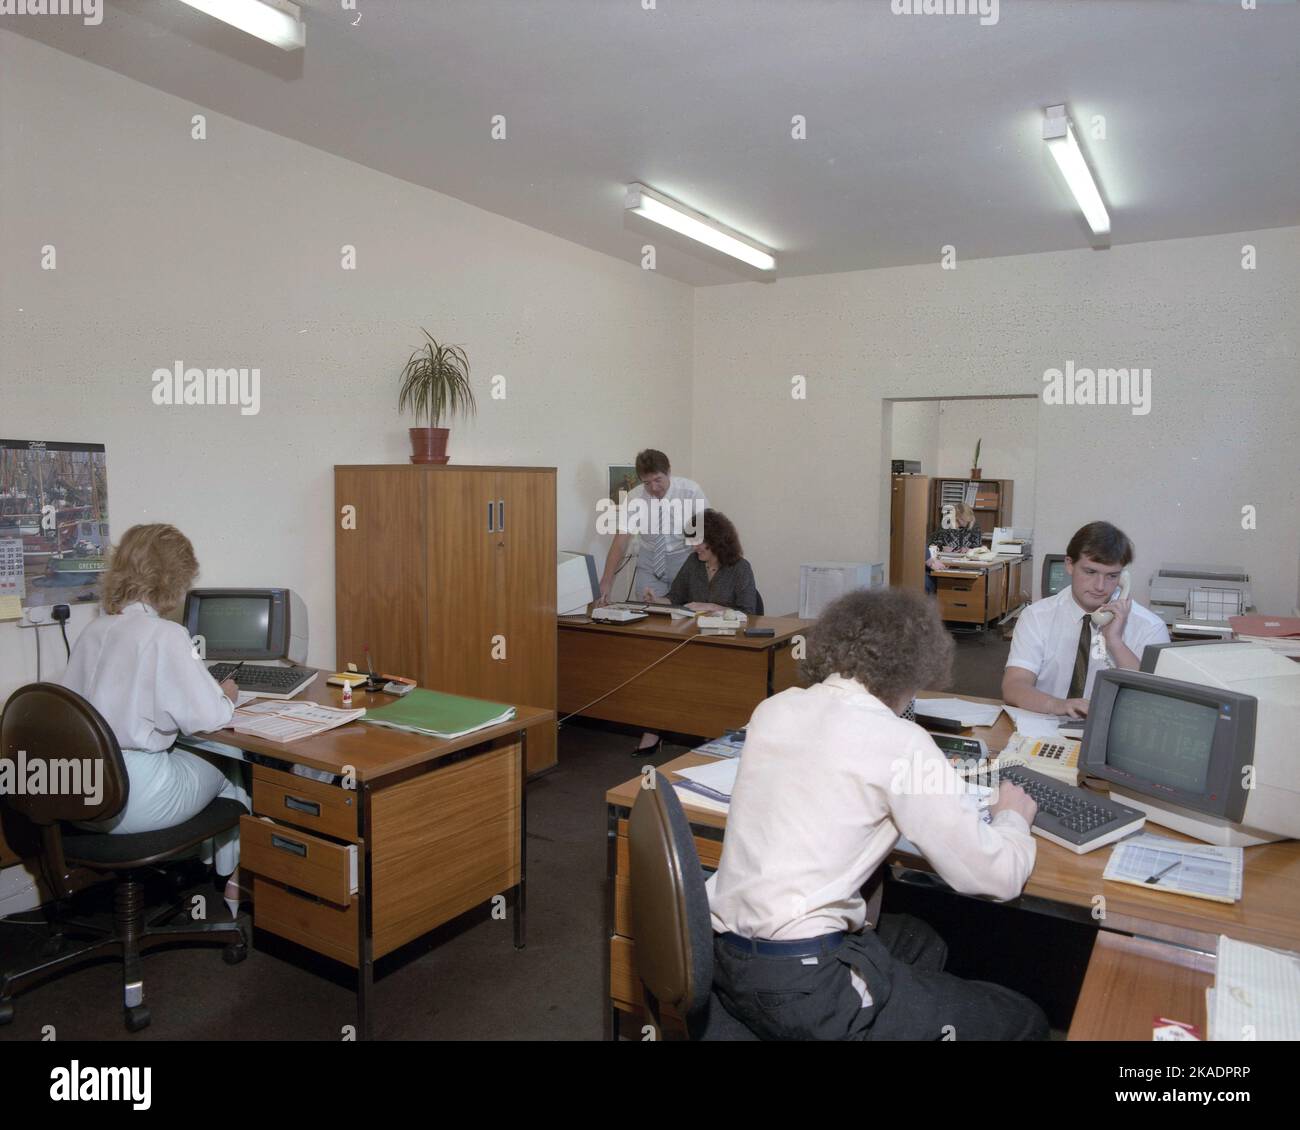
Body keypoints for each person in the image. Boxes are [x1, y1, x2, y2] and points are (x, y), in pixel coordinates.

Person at [708, 587, 1048, 1040]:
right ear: (914, 668)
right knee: (1022, 1018)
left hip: (723, 959)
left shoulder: (774, 708)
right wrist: (1012, 818)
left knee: (921, 942)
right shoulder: (901, 742)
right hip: (805, 984)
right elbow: (996, 877)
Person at [60, 523, 252, 917]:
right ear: (174, 577)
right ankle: (233, 884)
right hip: (135, 798)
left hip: (80, 796)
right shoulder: (165, 635)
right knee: (232, 763)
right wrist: (226, 695)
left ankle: (216, 874)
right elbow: (209, 718)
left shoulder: (92, 631)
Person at [1002, 520, 1169, 719]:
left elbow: (1153, 700)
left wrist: (1115, 642)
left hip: (1114, 732)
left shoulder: (1149, 627)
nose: (1100, 586)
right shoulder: (1036, 616)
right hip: (1045, 723)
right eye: (1090, 572)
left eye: (1112, 576)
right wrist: (1059, 705)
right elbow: (1014, 686)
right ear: (1070, 565)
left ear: (1123, 577)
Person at [597, 449, 708, 606]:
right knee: (649, 612)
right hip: (650, 561)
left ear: (668, 472)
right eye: (647, 483)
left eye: (658, 480)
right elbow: (620, 542)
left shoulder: (690, 491)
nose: (654, 488)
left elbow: (707, 533)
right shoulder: (635, 498)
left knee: (686, 612)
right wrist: (606, 582)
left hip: (685, 558)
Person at [645, 509, 758, 615]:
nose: (694, 548)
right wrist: (656, 601)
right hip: (693, 632)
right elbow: (675, 597)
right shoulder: (693, 562)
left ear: (715, 540)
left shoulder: (740, 567)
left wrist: (711, 607)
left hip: (730, 633)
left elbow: (748, 612)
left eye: (698, 542)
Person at [924, 501, 983, 594]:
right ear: (957, 517)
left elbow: (978, 547)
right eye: (964, 520)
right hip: (946, 562)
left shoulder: (974, 527)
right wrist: (942, 548)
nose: (966, 523)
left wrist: (969, 549)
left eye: (968, 520)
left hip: (966, 564)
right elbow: (933, 545)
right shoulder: (946, 525)